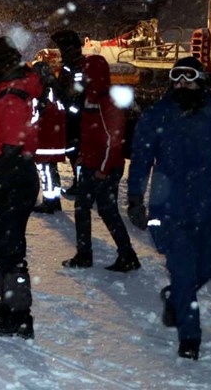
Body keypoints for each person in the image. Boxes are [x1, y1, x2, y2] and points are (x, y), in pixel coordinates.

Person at [127, 56, 211, 361]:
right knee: (184, 272)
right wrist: (135, 198)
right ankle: (189, 338)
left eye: (189, 78)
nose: (182, 84)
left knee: (207, 268)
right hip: (169, 209)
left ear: (201, 81)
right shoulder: (157, 115)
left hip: (208, 206)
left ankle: (177, 297)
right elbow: (141, 159)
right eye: (177, 78)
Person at [0, 36, 42, 339]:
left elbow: (13, 146)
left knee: (11, 250)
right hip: (10, 177)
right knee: (4, 247)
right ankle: (7, 308)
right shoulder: (10, 88)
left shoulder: (12, 94)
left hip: (14, 179)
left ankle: (19, 316)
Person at [62, 55, 140, 271]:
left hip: (104, 167)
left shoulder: (105, 100)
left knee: (100, 210)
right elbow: (90, 133)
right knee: (95, 209)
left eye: (86, 72)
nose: (83, 76)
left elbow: (113, 139)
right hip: (94, 164)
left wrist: (103, 169)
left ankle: (94, 255)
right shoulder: (91, 97)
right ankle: (121, 255)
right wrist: (83, 155)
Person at [30, 58, 68, 214]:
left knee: (46, 171)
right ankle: (55, 200)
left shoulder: (44, 92)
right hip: (55, 137)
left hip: (45, 137)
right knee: (52, 170)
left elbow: (37, 115)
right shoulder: (56, 89)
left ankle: (49, 202)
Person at [51, 30, 85, 196]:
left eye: (61, 47)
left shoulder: (77, 67)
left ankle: (81, 184)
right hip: (71, 116)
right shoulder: (70, 65)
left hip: (75, 118)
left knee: (76, 151)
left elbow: (77, 92)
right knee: (73, 150)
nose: (60, 51)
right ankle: (80, 182)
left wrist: (68, 107)